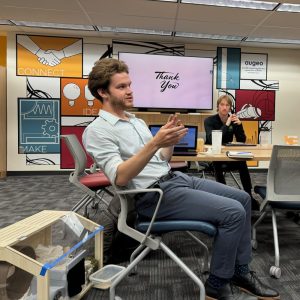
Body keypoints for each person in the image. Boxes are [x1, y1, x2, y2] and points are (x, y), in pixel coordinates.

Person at [83, 58, 279, 300]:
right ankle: (217, 284)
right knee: (233, 212)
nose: (130, 90)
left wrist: (169, 143)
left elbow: (161, 161)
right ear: (102, 92)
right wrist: (155, 142)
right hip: (151, 197)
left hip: (173, 179)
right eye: (121, 87)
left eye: (130, 84)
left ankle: (240, 272)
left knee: (243, 199)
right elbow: (121, 177)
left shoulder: (135, 121)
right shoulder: (97, 130)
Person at [204, 95, 259, 210]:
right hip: (214, 155)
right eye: (222, 105)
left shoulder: (234, 120)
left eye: (227, 105)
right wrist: (227, 124)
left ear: (230, 108)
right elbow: (211, 140)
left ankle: (249, 195)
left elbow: (241, 140)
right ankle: (224, 196)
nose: (224, 107)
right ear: (218, 107)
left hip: (229, 155)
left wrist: (239, 125)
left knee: (242, 162)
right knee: (216, 162)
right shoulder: (209, 121)